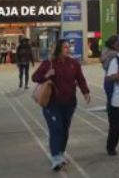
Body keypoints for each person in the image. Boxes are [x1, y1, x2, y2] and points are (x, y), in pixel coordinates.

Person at [32, 40, 91, 171]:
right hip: (52, 103)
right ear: (58, 49)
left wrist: (85, 92)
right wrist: (47, 75)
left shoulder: (74, 64)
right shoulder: (49, 63)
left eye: (68, 47)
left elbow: (80, 79)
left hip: (69, 102)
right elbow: (35, 77)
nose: (68, 49)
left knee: (64, 129)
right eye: (65, 47)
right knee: (56, 129)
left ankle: (60, 153)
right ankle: (55, 158)